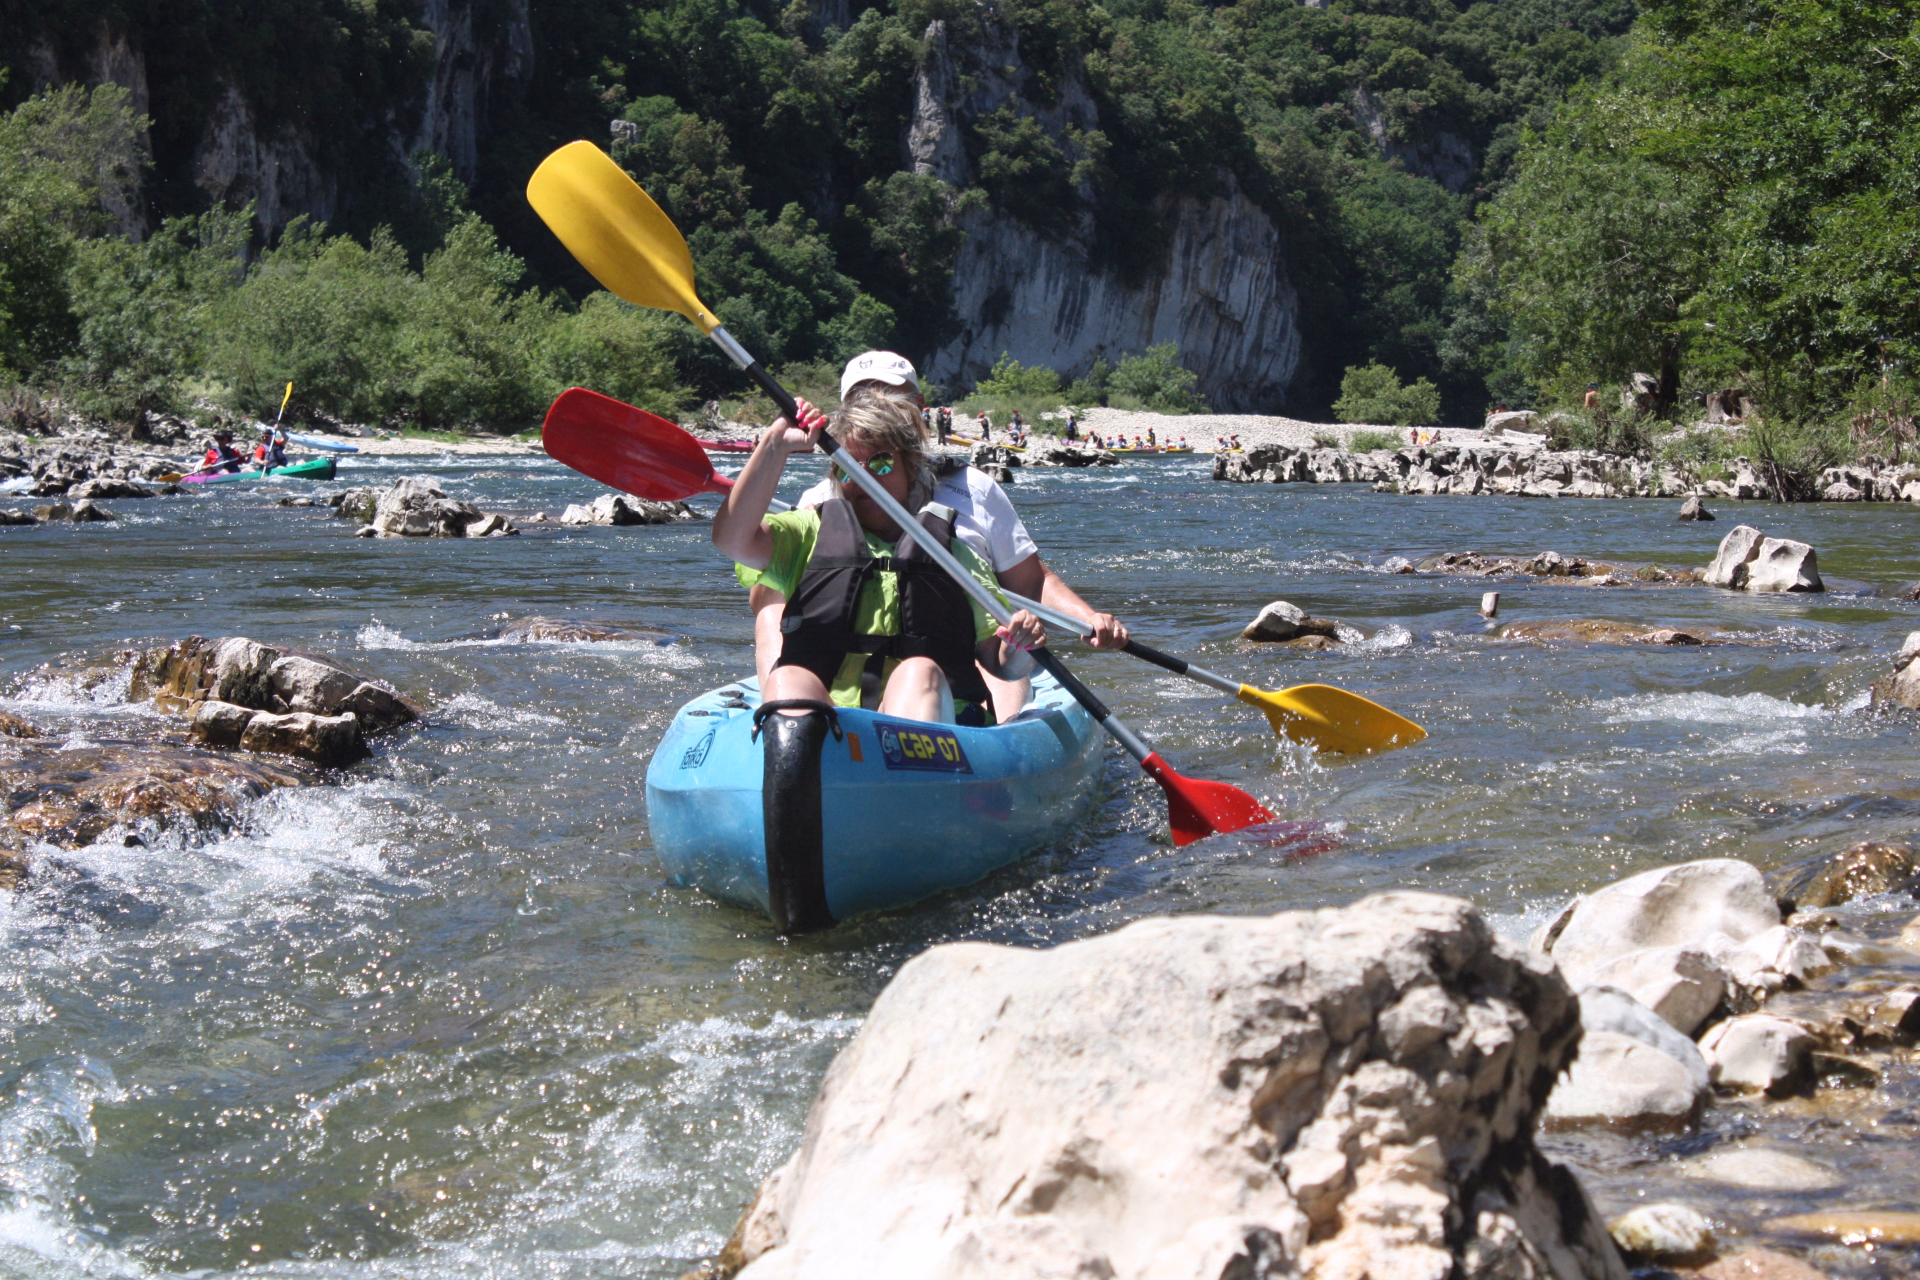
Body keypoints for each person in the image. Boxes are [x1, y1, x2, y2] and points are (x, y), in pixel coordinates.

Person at [747, 352, 1129, 723]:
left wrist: (1088, 619)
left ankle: (1004, 733)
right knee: (769, 594)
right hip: (843, 670)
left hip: (962, 655)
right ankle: (788, 718)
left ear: (919, 406)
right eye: (865, 398)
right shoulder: (822, 499)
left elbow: (1031, 582)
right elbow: (765, 576)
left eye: (894, 397)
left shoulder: (971, 489)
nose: (882, 407)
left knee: (984, 631)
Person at [713, 397, 1045, 726]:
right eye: (847, 468)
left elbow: (1000, 663)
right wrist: (776, 444)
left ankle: (906, 773)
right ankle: (803, 772)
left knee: (917, 671)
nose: (865, 479)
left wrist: (1020, 647)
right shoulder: (806, 535)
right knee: (789, 678)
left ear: (910, 467)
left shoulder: (955, 556)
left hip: (936, 725)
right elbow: (732, 540)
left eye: (881, 463)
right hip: (835, 725)